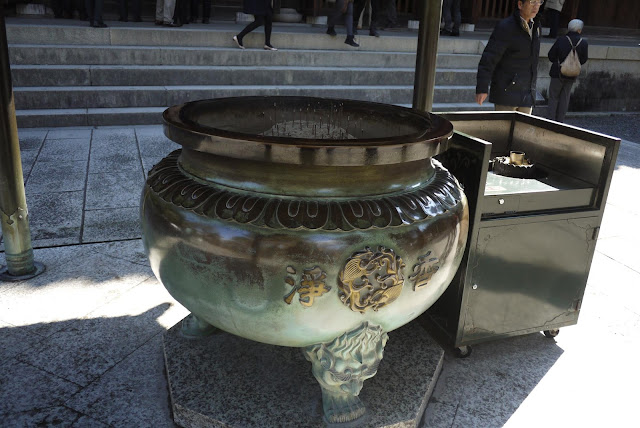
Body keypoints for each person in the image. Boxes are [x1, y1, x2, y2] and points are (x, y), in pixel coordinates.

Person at [475, 0, 542, 114]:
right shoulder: (506, 27)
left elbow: (533, 61)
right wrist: (482, 88)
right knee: (503, 126)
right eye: (532, 2)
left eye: (539, 2)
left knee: (525, 126)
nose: (536, 6)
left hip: (527, 94)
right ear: (520, 4)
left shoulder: (536, 26)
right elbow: (489, 58)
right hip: (507, 92)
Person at [547, 19, 588, 122]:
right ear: (579, 30)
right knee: (565, 98)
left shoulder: (561, 40)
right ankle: (560, 121)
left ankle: (550, 120)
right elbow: (583, 60)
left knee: (553, 97)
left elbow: (551, 55)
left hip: (557, 72)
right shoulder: (583, 43)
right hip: (572, 73)